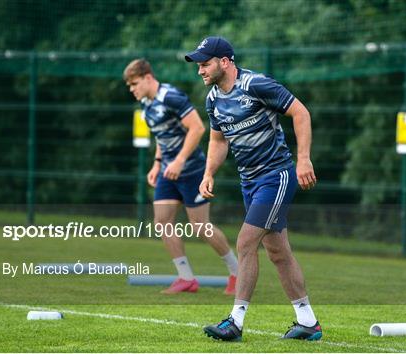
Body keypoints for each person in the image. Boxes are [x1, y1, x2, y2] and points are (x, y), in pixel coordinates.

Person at [185, 37, 322, 341]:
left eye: (205, 64)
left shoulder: (256, 84)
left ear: (225, 61)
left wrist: (303, 160)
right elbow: (218, 141)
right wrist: (209, 173)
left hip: (276, 175)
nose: (200, 71)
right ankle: (308, 322)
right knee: (277, 252)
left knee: (246, 242)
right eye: (198, 65)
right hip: (250, 182)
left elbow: (301, 113)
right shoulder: (212, 99)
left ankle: (235, 322)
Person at [123, 58, 237, 295]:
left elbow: (197, 128)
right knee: (162, 222)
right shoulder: (146, 103)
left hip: (191, 170)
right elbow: (162, 138)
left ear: (147, 78)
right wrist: (157, 164)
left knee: (200, 227)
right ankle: (186, 278)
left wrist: (180, 160)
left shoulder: (171, 97)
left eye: (134, 84)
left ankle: (237, 272)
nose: (132, 89)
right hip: (167, 171)